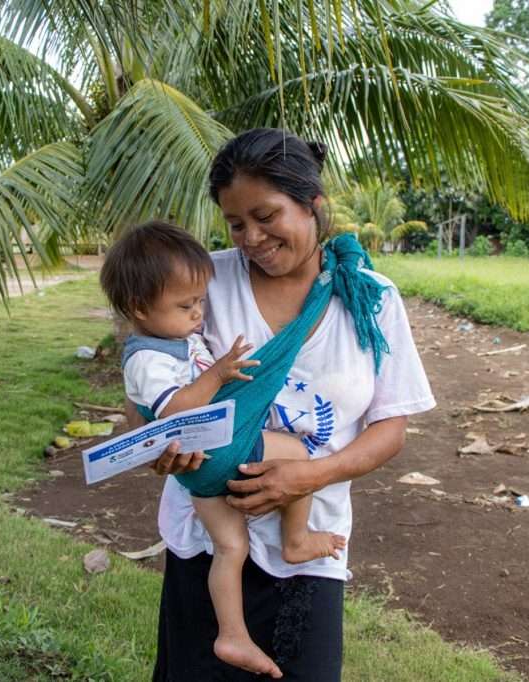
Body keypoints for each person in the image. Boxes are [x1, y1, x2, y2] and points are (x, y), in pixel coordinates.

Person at [140, 128, 436, 681]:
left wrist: (308, 476)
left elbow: (390, 428)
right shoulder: (204, 282)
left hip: (310, 544)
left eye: (266, 215)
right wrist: (160, 441)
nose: (251, 236)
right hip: (206, 538)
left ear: (313, 206)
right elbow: (152, 373)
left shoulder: (371, 298)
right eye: (235, 223)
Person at [99, 221, 347, 678]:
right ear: (138, 307)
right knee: (297, 453)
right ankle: (296, 540)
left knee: (231, 546)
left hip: (199, 471)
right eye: (186, 306)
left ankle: (231, 634)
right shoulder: (148, 357)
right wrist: (218, 373)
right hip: (216, 449)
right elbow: (173, 409)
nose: (198, 314)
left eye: (199, 303)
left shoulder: (170, 339)